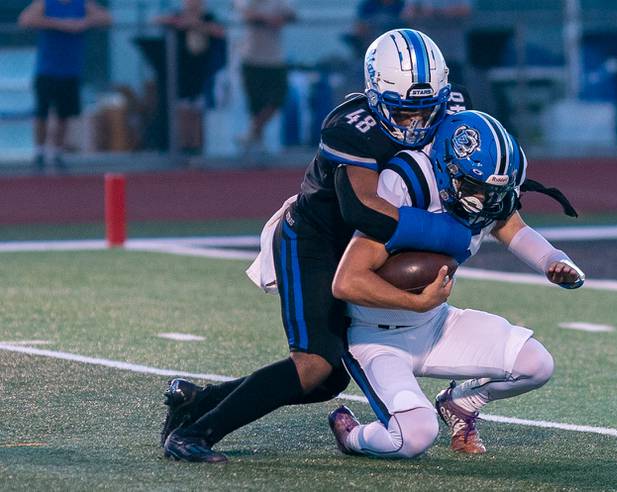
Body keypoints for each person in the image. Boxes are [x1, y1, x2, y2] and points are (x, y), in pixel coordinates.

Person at [161, 29, 476, 463]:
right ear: (375, 94)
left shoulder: (456, 111)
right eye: (402, 112)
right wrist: (449, 234)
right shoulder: (352, 125)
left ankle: (197, 401)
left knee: (327, 380)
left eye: (424, 110)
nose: (414, 124)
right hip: (315, 240)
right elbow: (363, 209)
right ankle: (194, 433)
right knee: (314, 365)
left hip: (362, 245)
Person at [327, 110, 584, 457]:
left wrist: (553, 260)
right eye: (475, 188)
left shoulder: (488, 192)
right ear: (445, 166)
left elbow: (514, 228)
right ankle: (352, 436)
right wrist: (416, 302)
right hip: (376, 338)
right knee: (413, 438)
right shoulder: (409, 183)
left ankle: (461, 403)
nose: (484, 201)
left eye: (494, 191)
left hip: (434, 324)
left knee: (537, 365)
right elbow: (347, 281)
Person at [17, 0, 111, 171]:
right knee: (41, 113)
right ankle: (40, 152)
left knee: (64, 114)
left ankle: (58, 152)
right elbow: (25, 19)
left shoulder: (82, 4)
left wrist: (83, 22)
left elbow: (106, 18)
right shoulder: (45, 3)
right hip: (47, 70)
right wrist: (60, 24)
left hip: (71, 70)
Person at [153, 0, 226, 154]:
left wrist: (196, 24)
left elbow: (219, 31)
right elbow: (156, 20)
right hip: (181, 72)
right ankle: (184, 147)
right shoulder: (178, 15)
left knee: (198, 112)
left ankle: (198, 148)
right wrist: (178, 22)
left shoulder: (208, 17)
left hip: (202, 71)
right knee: (183, 111)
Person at [235, 0, 296, 154]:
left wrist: (281, 19)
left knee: (279, 97)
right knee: (255, 103)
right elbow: (246, 14)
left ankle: (252, 131)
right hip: (251, 57)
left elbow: (291, 14)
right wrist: (268, 19)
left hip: (275, 59)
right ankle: (258, 145)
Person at [402, 0, 471, 84]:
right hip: (425, 56)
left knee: (456, 89)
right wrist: (426, 12)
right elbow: (408, 13)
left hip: (452, 53)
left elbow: (466, 10)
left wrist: (438, 12)